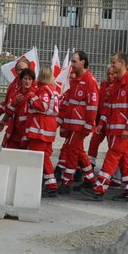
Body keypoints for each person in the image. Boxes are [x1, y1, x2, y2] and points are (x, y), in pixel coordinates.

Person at [86, 53, 128, 201]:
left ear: (122, 63)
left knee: (112, 156)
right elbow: (108, 106)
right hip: (114, 128)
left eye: (113, 63)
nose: (111, 66)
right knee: (125, 158)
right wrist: (101, 123)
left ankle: (100, 187)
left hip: (121, 130)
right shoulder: (117, 83)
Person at [56, 50, 98, 190]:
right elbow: (69, 102)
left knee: (72, 152)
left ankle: (67, 182)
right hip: (72, 123)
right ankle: (90, 179)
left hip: (79, 126)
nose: (72, 64)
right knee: (78, 151)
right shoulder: (76, 80)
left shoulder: (89, 81)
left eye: (74, 61)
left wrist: (88, 125)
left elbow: (92, 106)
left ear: (83, 62)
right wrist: (63, 121)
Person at [24, 67, 61, 197]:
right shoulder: (53, 89)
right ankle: (50, 183)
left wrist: (32, 96)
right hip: (48, 126)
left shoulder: (44, 89)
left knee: (37, 156)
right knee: (45, 156)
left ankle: (47, 184)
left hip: (41, 126)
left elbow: (42, 106)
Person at [0, 57, 32, 151]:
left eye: (23, 70)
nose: (21, 72)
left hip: (26, 128)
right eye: (19, 69)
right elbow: (9, 104)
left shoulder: (33, 87)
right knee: (8, 150)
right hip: (13, 126)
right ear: (15, 71)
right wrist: (3, 119)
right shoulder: (12, 86)